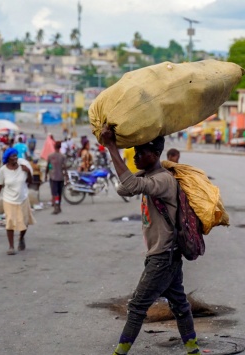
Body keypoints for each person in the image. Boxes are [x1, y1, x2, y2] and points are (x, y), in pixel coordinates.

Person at [100, 127, 201, 355]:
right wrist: (141, 170)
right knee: (180, 305)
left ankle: (120, 352)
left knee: (137, 307)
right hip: (167, 255)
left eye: (140, 153)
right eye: (134, 154)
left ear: (154, 155)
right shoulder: (150, 176)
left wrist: (112, 148)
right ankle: (193, 349)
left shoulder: (163, 180)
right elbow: (122, 189)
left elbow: (131, 187)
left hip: (162, 256)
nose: (135, 158)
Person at [0, 148, 35, 255]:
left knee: (24, 222)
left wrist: (28, 172)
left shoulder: (23, 168)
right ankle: (11, 246)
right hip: (9, 200)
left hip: (23, 199)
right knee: (10, 222)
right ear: (8, 158)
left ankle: (21, 238)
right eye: (13, 156)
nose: (15, 158)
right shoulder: (3, 170)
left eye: (16, 156)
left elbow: (30, 182)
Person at [45, 141, 67, 215]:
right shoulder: (62, 156)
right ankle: (59, 206)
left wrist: (46, 174)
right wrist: (66, 177)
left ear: (54, 147)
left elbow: (48, 166)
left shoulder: (50, 156)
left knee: (55, 193)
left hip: (53, 177)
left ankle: (56, 207)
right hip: (60, 177)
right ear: (60, 147)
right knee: (59, 193)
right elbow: (64, 167)